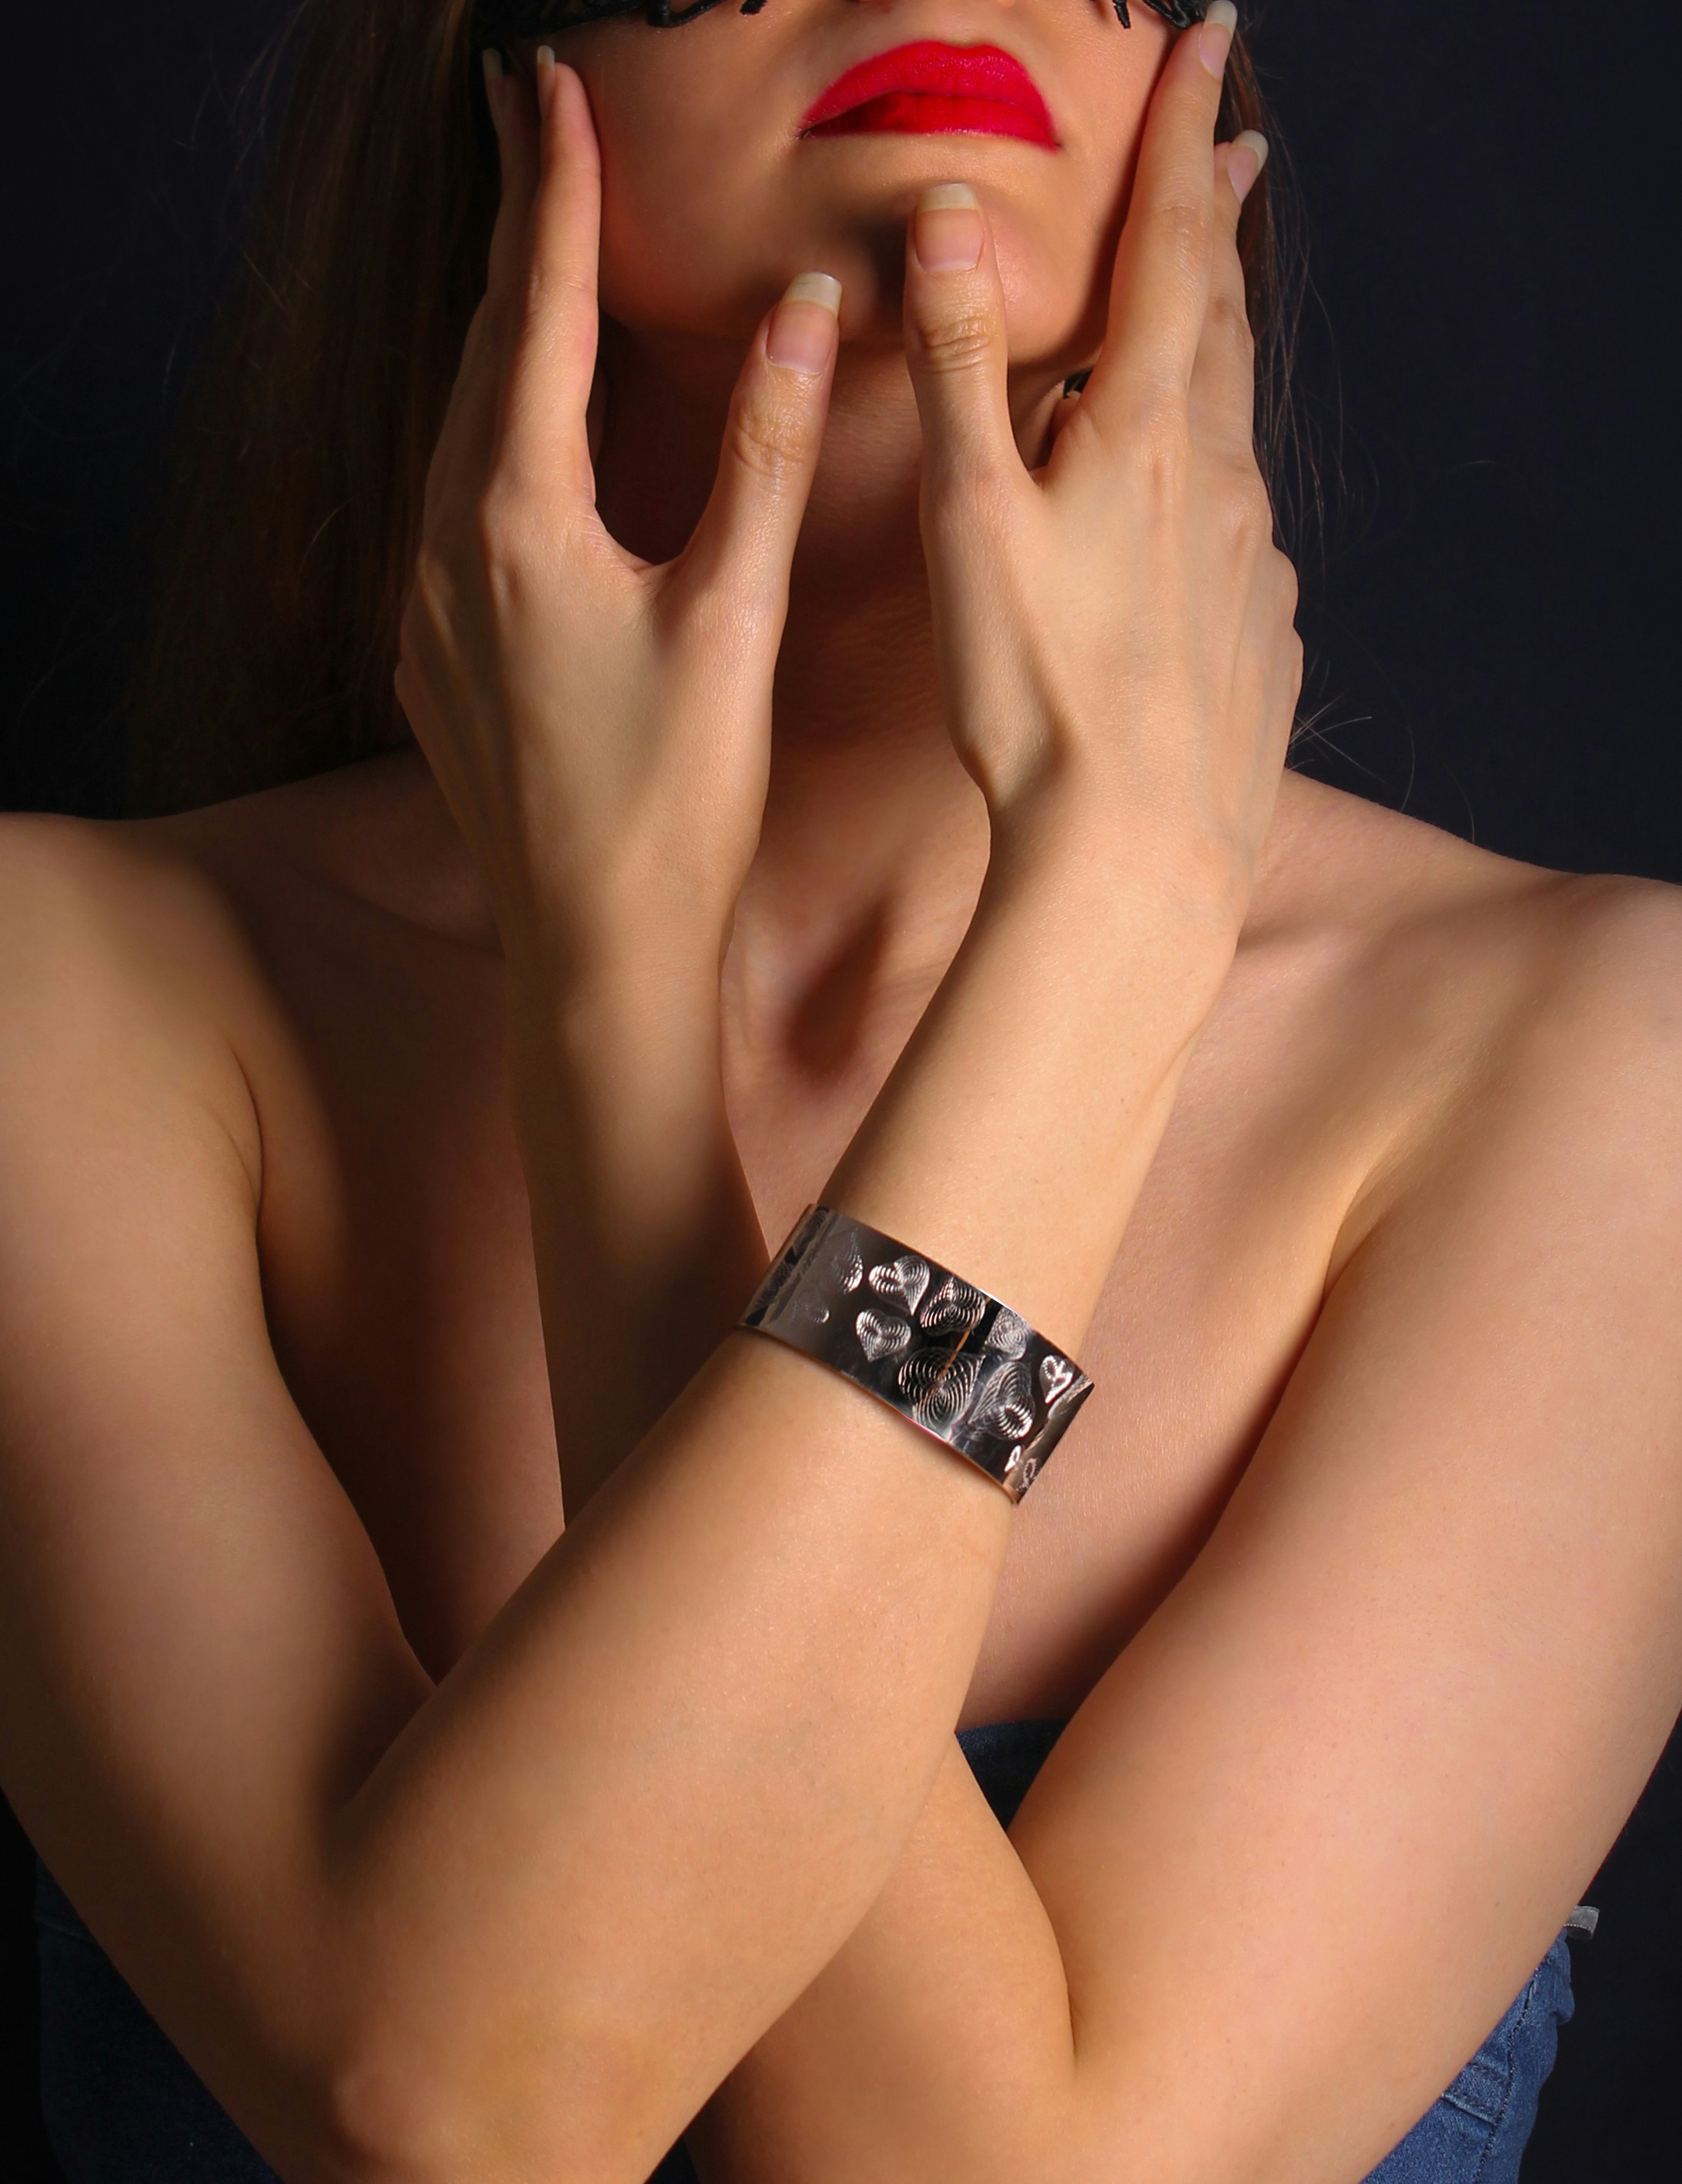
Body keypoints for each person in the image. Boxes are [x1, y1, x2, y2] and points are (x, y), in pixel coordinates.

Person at [2, 2, 1678, 2179]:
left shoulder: (1598, 1066)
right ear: (483, 59)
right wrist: (634, 991)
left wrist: (1106, 919)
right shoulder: (69, 1002)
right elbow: (467, 2114)